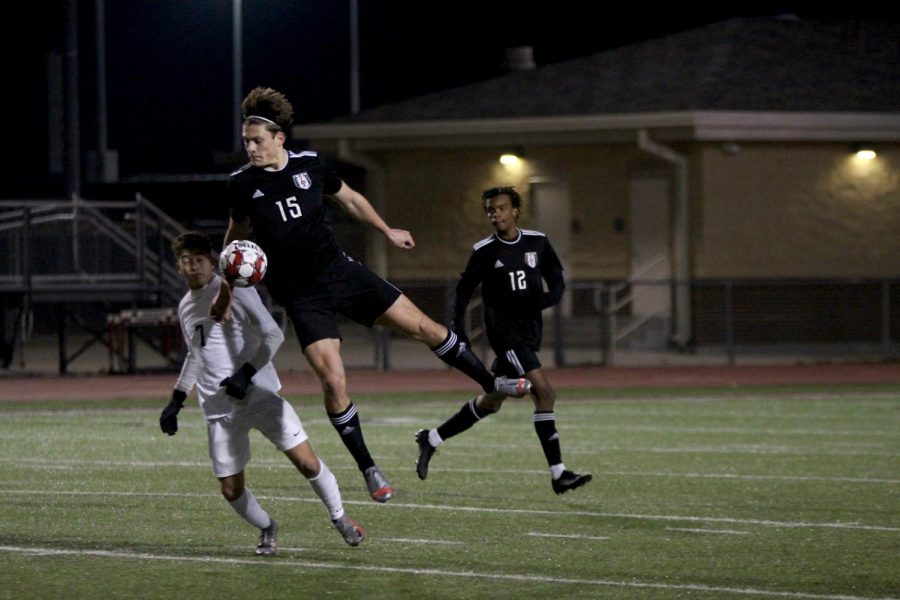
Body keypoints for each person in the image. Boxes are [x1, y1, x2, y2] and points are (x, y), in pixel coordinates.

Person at [215, 87, 532, 503]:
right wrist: (225, 289)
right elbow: (235, 237)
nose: (250, 148)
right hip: (302, 296)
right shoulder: (241, 184)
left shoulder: (311, 165)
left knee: (425, 327)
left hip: (342, 273)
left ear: (279, 138)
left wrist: (387, 230)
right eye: (246, 141)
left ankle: (494, 384)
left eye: (257, 140)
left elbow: (351, 200)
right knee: (333, 380)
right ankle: (369, 469)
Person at [158, 231, 365, 556]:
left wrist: (245, 374)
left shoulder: (236, 288)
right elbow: (196, 354)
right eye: (186, 261)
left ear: (212, 262)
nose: (193, 266)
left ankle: (341, 519)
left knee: (307, 463)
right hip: (219, 409)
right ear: (178, 267)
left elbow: (272, 334)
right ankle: (268, 527)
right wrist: (177, 398)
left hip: (259, 395)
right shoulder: (186, 305)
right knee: (230, 489)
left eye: (199, 260)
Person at [414, 186, 592, 495]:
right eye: (490, 209)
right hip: (505, 334)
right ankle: (559, 474)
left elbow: (557, 276)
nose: (494, 213)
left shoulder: (537, 241)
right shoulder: (484, 251)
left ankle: (432, 438)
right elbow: (463, 290)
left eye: (500, 207)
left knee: (492, 402)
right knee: (545, 394)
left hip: (529, 330)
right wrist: (458, 327)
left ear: (515, 211)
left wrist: (551, 298)